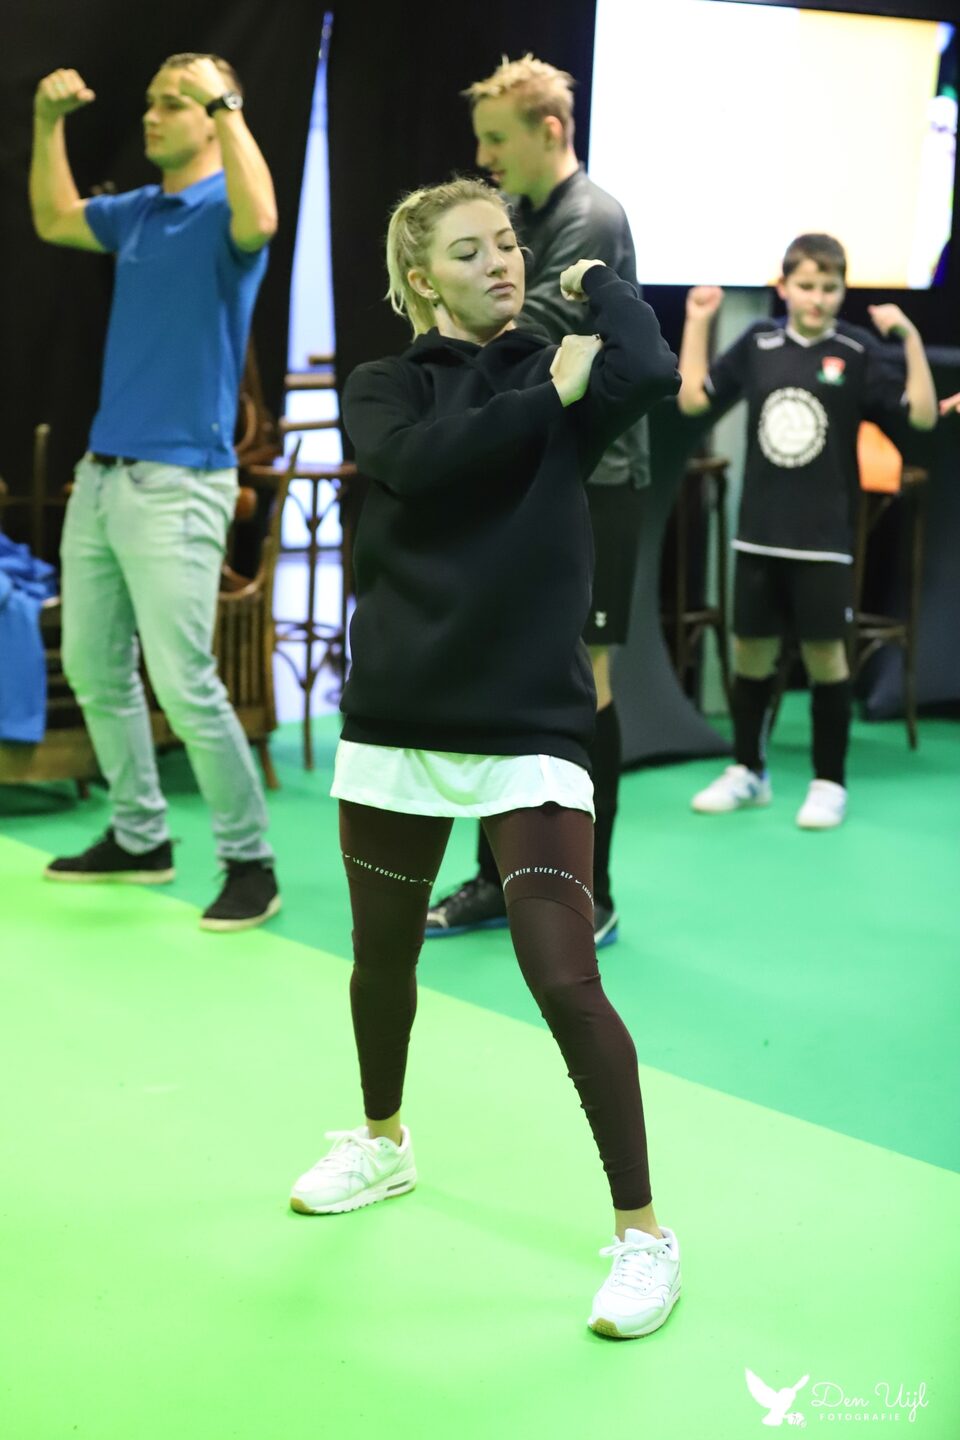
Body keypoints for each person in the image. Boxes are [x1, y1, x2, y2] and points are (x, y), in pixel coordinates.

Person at [288, 177, 683, 1338]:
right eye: (472, 251)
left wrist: (598, 285)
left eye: (510, 244)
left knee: (564, 977)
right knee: (382, 963)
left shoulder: (561, 370)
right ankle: (383, 1142)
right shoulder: (387, 385)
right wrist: (546, 393)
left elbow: (652, 371)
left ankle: (645, 1236)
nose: (503, 262)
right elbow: (417, 463)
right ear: (421, 279)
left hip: (532, 728)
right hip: (399, 719)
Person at [29, 55, 280, 930]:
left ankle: (250, 861)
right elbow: (54, 218)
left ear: (213, 116)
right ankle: (140, 836)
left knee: (183, 682)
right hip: (103, 477)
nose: (153, 115)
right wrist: (46, 122)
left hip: (181, 482)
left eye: (175, 103)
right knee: (94, 668)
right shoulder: (138, 212)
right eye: (151, 101)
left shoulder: (227, 211)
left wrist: (225, 99)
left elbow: (262, 217)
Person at [425, 56, 651, 948]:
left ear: (548, 131)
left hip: (597, 486)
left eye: (496, 139)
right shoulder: (519, 218)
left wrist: (455, 325)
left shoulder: (592, 218)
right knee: (509, 677)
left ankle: (594, 892)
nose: (483, 157)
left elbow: (534, 338)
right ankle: (497, 880)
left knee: (584, 687)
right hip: (535, 476)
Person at [678, 233, 937, 828]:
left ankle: (828, 783)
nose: (817, 298)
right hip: (757, 536)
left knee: (826, 661)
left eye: (829, 287)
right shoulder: (758, 342)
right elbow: (693, 401)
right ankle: (749, 771)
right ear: (784, 287)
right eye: (806, 286)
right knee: (751, 656)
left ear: (843, 290)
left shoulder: (857, 350)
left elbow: (921, 416)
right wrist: (697, 321)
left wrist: (911, 339)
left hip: (824, 543)